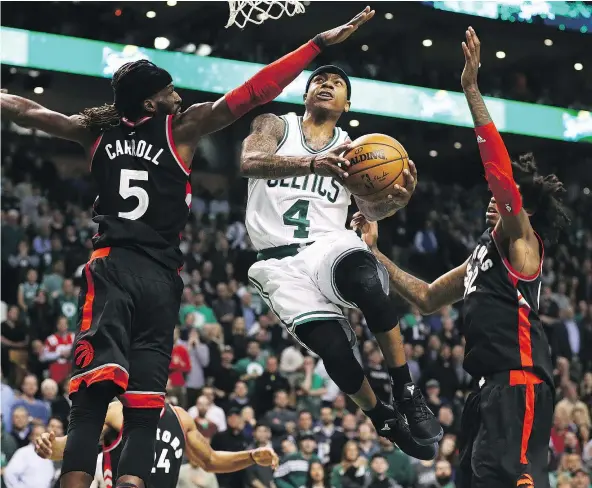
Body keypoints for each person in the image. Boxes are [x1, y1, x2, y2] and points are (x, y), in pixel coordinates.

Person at [1, 8, 374, 488]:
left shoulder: (95, 132)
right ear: (152, 104)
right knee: (143, 410)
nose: (178, 97)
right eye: (169, 92)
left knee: (91, 399)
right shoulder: (181, 129)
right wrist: (316, 45)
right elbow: (255, 92)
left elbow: (25, 110)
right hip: (159, 280)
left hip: (112, 268)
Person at [351, 27, 570, 488]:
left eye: (501, 197)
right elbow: (427, 297)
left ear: (520, 208)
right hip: (485, 390)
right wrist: (374, 253)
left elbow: (500, 173)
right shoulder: (480, 257)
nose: (491, 200)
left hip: (519, 381)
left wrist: (471, 91)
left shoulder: (522, 244)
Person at [240, 53, 441, 451]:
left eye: (338, 82)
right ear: (306, 93)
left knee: (368, 282)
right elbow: (250, 162)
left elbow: (369, 212)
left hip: (328, 245)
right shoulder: (276, 125)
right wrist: (314, 163)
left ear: (347, 104)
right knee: (334, 349)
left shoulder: (357, 152)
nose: (328, 83)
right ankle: (381, 417)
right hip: (278, 262)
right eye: (320, 79)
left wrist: (394, 203)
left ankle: (405, 390)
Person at [34, 400, 279, 488]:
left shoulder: (181, 418)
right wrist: (49, 446)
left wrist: (251, 456)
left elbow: (210, 460)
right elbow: (75, 446)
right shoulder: (117, 412)